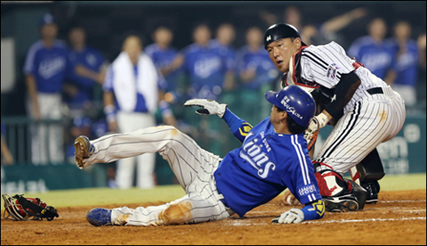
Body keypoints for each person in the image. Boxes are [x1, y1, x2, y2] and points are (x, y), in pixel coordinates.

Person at [74, 85, 326, 226]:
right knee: (170, 136)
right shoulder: (271, 124)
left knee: (173, 214)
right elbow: (248, 135)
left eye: (277, 105)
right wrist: (223, 111)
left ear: (284, 115)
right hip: (207, 167)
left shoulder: (296, 157)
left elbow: (317, 204)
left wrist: (303, 213)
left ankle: (118, 216)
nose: (273, 105)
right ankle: (93, 151)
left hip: (219, 204)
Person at [264, 23, 405, 209]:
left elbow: (350, 81)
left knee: (322, 170)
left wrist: (321, 118)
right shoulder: (290, 81)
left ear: (297, 43)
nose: (275, 53)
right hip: (376, 113)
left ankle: (341, 194)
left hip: (372, 105)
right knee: (337, 132)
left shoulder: (308, 55)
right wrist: (304, 183)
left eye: (280, 45)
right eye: (270, 49)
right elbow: (308, 133)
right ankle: (366, 184)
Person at [102, 35, 162, 189]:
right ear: (124, 48)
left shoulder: (149, 64)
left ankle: (147, 194)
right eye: (130, 46)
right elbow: (107, 91)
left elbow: (159, 87)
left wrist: (166, 112)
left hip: (147, 115)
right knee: (127, 156)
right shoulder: (116, 66)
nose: (133, 50)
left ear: (140, 48)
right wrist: (110, 115)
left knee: (147, 156)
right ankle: (123, 192)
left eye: (136, 46)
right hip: (126, 116)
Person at [23, 13, 68, 164]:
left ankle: (56, 168)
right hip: (39, 97)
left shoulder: (62, 48)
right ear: (41, 30)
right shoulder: (36, 50)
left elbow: (70, 70)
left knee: (56, 136)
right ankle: (39, 169)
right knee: (40, 136)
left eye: (52, 26)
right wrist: (35, 103)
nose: (49, 30)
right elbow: (29, 77)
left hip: (56, 96)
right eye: (46, 27)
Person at [236, 26, 280, 124]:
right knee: (247, 102)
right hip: (247, 90)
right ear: (247, 37)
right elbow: (240, 75)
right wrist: (246, 76)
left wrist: (261, 79)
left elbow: (275, 72)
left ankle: (264, 130)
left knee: (266, 94)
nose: (254, 37)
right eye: (252, 35)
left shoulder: (268, 53)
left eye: (257, 35)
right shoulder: (243, 53)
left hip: (264, 90)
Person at [64, 26, 106, 118]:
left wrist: (101, 76)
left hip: (93, 102)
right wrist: (66, 87)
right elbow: (76, 70)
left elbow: (105, 72)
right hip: (72, 104)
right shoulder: (65, 54)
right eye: (74, 32)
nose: (77, 35)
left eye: (79, 32)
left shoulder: (94, 53)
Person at [347, 18, 397, 84]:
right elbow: (349, 62)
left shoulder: (388, 47)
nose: (378, 30)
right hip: (360, 84)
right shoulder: (360, 44)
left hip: (380, 86)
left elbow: (392, 70)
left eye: (381, 28)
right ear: (370, 27)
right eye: (376, 27)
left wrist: (386, 84)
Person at [386, 21, 419, 108]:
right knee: (393, 110)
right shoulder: (389, 45)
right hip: (394, 85)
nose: (402, 31)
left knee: (411, 112)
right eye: (400, 29)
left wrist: (421, 49)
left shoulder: (413, 46)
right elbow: (387, 64)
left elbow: (420, 63)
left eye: (405, 29)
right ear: (395, 30)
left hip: (409, 86)